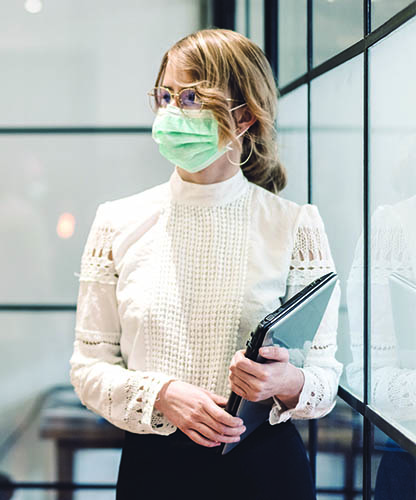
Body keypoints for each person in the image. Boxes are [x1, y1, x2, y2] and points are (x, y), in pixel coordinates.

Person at [69, 29, 342, 500]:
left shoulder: (295, 225)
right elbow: (88, 367)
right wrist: (161, 395)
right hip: (153, 469)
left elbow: (325, 378)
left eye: (193, 97)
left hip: (265, 470)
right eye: (166, 95)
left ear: (245, 118)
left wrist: (286, 380)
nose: (174, 111)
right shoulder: (117, 221)